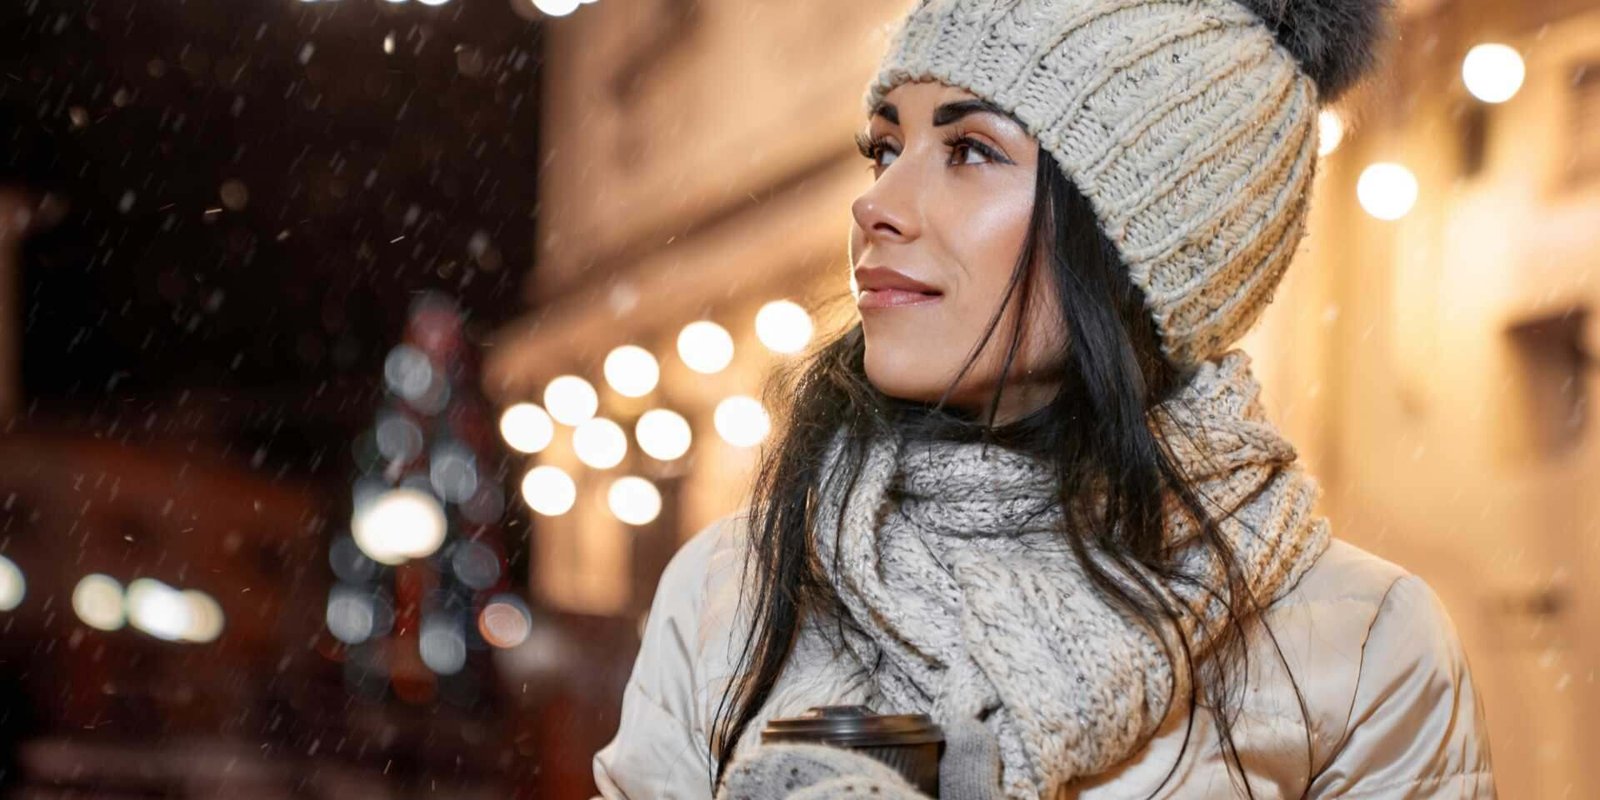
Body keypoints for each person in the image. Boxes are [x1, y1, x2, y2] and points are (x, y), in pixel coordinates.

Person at [593, 0, 1497, 797]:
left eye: (972, 150)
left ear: (1141, 242)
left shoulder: (1361, 645)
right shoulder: (736, 586)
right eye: (886, 148)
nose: (877, 205)